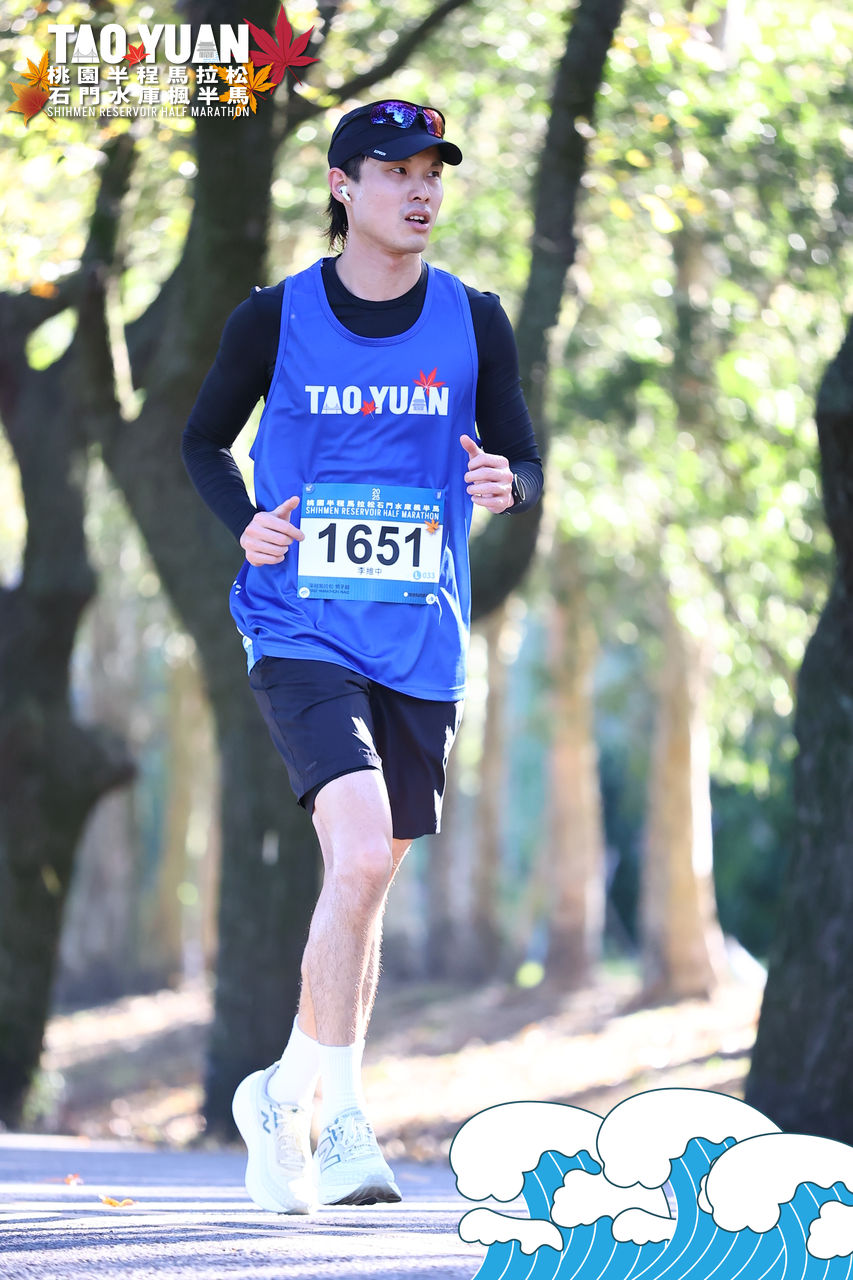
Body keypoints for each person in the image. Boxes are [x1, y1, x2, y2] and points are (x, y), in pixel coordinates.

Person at [181, 98, 543, 1214]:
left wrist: (508, 482)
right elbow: (201, 440)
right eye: (394, 171)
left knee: (367, 873)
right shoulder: (274, 317)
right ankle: (340, 1119)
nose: (420, 190)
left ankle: (277, 1091)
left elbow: (521, 452)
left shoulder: (475, 319)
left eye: (432, 172)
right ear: (344, 187)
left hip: (421, 639)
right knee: (355, 853)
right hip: (299, 626)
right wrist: (245, 520)